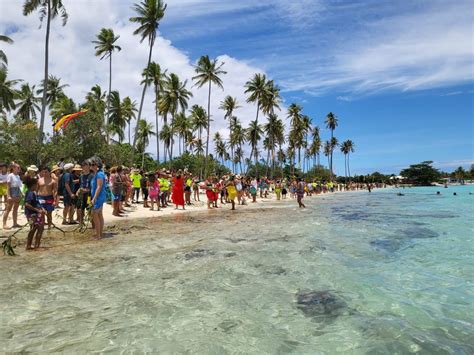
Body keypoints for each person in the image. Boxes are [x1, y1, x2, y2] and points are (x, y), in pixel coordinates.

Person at [24, 177, 46, 250]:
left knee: (34, 228)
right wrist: (37, 210)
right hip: (32, 215)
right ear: (33, 185)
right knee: (37, 228)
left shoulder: (32, 193)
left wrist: (42, 209)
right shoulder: (30, 193)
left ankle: (31, 245)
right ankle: (35, 246)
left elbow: (36, 203)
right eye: (37, 184)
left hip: (34, 215)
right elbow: (27, 204)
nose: (37, 186)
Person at [90, 158, 106, 240]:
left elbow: (99, 187)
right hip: (98, 196)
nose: (91, 166)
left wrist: (94, 198)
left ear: (97, 165)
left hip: (99, 197)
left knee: (94, 213)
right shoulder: (96, 174)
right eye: (91, 164)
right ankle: (100, 233)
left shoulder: (99, 174)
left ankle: (98, 235)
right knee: (99, 214)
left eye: (93, 164)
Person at [2, 162, 22, 229]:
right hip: (12, 192)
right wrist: (8, 196)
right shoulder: (10, 175)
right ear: (13, 168)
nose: (19, 169)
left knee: (15, 209)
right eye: (18, 167)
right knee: (8, 209)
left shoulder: (18, 176)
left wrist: (21, 194)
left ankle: (15, 223)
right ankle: (4, 224)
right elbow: (8, 187)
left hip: (17, 192)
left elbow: (19, 186)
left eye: (19, 168)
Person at [77, 160, 92, 225]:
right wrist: (78, 191)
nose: (84, 167)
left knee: (89, 210)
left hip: (89, 196)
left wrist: (85, 190)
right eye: (83, 166)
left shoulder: (92, 176)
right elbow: (80, 185)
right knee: (80, 209)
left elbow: (93, 188)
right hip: (81, 196)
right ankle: (81, 223)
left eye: (85, 165)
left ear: (89, 166)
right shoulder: (81, 176)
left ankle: (93, 226)